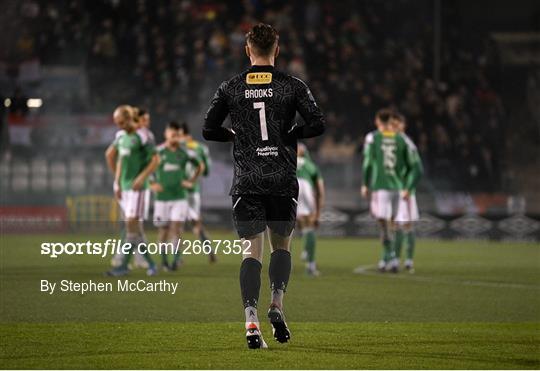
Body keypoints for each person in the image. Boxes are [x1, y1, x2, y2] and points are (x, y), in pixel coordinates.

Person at [203, 23, 325, 349]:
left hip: (247, 180)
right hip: (281, 179)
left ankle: (250, 321)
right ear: (277, 49)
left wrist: (234, 135)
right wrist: (290, 135)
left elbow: (208, 129)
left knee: (250, 253)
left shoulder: (231, 87)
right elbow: (317, 124)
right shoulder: (292, 85)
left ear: (247, 50)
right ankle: (277, 304)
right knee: (281, 248)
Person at [360, 108, 419, 273]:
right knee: (395, 223)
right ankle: (392, 259)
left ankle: (390, 256)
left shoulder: (373, 137)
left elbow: (368, 163)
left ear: (378, 121)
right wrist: (407, 185)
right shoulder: (401, 138)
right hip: (399, 187)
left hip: (381, 187)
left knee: (383, 224)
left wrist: (365, 183)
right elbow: (413, 165)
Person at [105, 105, 159, 277]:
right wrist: (117, 182)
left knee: (131, 226)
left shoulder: (143, 135)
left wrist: (142, 177)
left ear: (129, 119)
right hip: (125, 188)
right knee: (135, 229)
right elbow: (117, 159)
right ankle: (150, 264)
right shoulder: (121, 136)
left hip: (138, 189)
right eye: (116, 122)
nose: (118, 125)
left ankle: (123, 265)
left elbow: (156, 159)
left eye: (121, 122)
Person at [151, 121, 203, 271]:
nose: (175, 137)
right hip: (162, 198)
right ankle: (164, 261)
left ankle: (175, 260)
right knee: (163, 231)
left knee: (177, 229)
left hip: (180, 197)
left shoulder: (185, 152)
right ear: (166, 134)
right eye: (172, 134)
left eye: (177, 135)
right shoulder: (158, 152)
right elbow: (146, 168)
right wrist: (151, 184)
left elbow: (200, 166)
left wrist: (191, 181)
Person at [177, 122, 216, 263]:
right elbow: (206, 171)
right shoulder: (201, 148)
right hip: (191, 190)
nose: (178, 138)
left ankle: (178, 257)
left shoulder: (180, 149)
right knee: (190, 223)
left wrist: (190, 179)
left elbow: (204, 169)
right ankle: (207, 250)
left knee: (184, 223)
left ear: (187, 135)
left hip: (186, 190)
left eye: (179, 135)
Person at [391, 113, 423, 272]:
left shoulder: (406, 142)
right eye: (393, 124)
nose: (395, 127)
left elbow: (417, 168)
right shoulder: (394, 142)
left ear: (403, 126)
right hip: (396, 188)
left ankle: (407, 260)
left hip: (404, 190)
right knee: (398, 224)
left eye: (397, 124)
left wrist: (408, 188)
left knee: (406, 225)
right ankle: (396, 259)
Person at [296, 143, 325, 276]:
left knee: (296, 224)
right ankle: (310, 264)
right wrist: (318, 213)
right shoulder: (310, 164)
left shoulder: (288, 159)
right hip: (306, 187)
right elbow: (320, 189)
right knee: (310, 225)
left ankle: (283, 266)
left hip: (292, 187)